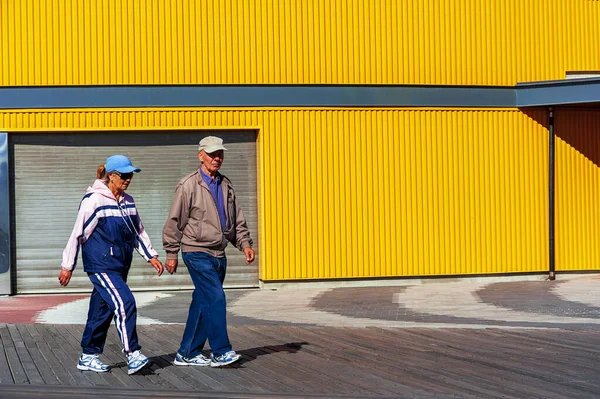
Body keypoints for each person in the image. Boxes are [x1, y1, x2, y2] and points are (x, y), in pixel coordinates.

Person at [58, 155, 164, 375]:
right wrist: (67, 266)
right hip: (101, 265)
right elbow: (78, 234)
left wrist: (151, 255)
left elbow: (138, 232)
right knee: (125, 303)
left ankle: (88, 356)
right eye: (123, 175)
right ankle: (133, 354)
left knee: (101, 311)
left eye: (130, 175)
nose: (128, 179)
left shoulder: (128, 201)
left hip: (120, 265)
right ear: (111, 176)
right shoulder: (94, 201)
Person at [163, 136, 255, 368]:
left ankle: (187, 352)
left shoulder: (226, 185)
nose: (217, 158)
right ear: (200, 155)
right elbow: (175, 221)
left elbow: (236, 220)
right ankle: (220, 351)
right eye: (213, 154)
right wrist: (171, 253)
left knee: (204, 301)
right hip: (196, 251)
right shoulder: (188, 185)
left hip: (219, 254)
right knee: (215, 297)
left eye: (220, 154)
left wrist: (244, 244)